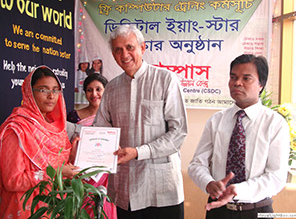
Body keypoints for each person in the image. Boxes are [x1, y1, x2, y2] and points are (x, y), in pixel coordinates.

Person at [92, 24, 188, 219]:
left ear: (142, 48)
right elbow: (100, 129)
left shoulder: (166, 80)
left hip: (161, 190)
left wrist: (138, 152)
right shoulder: (111, 88)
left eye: (130, 47)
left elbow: (178, 133)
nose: (124, 54)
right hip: (124, 189)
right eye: (118, 49)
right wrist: (85, 142)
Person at [188, 54, 290, 219]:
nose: (237, 83)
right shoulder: (216, 121)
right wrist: (208, 183)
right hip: (218, 211)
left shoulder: (275, 123)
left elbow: (276, 177)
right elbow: (196, 165)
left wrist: (237, 190)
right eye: (233, 77)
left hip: (257, 211)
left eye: (246, 78)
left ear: (261, 84)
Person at [0, 66, 79, 218]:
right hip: (27, 208)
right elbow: (12, 180)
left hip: (54, 206)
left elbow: (58, 167)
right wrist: (57, 173)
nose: (51, 96)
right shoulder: (17, 129)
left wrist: (72, 157)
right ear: (30, 92)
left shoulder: (55, 127)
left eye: (56, 90)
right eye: (43, 90)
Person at [67, 73, 117, 219]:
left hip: (106, 174)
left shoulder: (114, 115)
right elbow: (65, 144)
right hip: (81, 172)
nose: (94, 94)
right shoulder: (74, 116)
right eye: (89, 90)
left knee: (104, 209)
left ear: (106, 91)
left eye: (98, 89)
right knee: (83, 208)